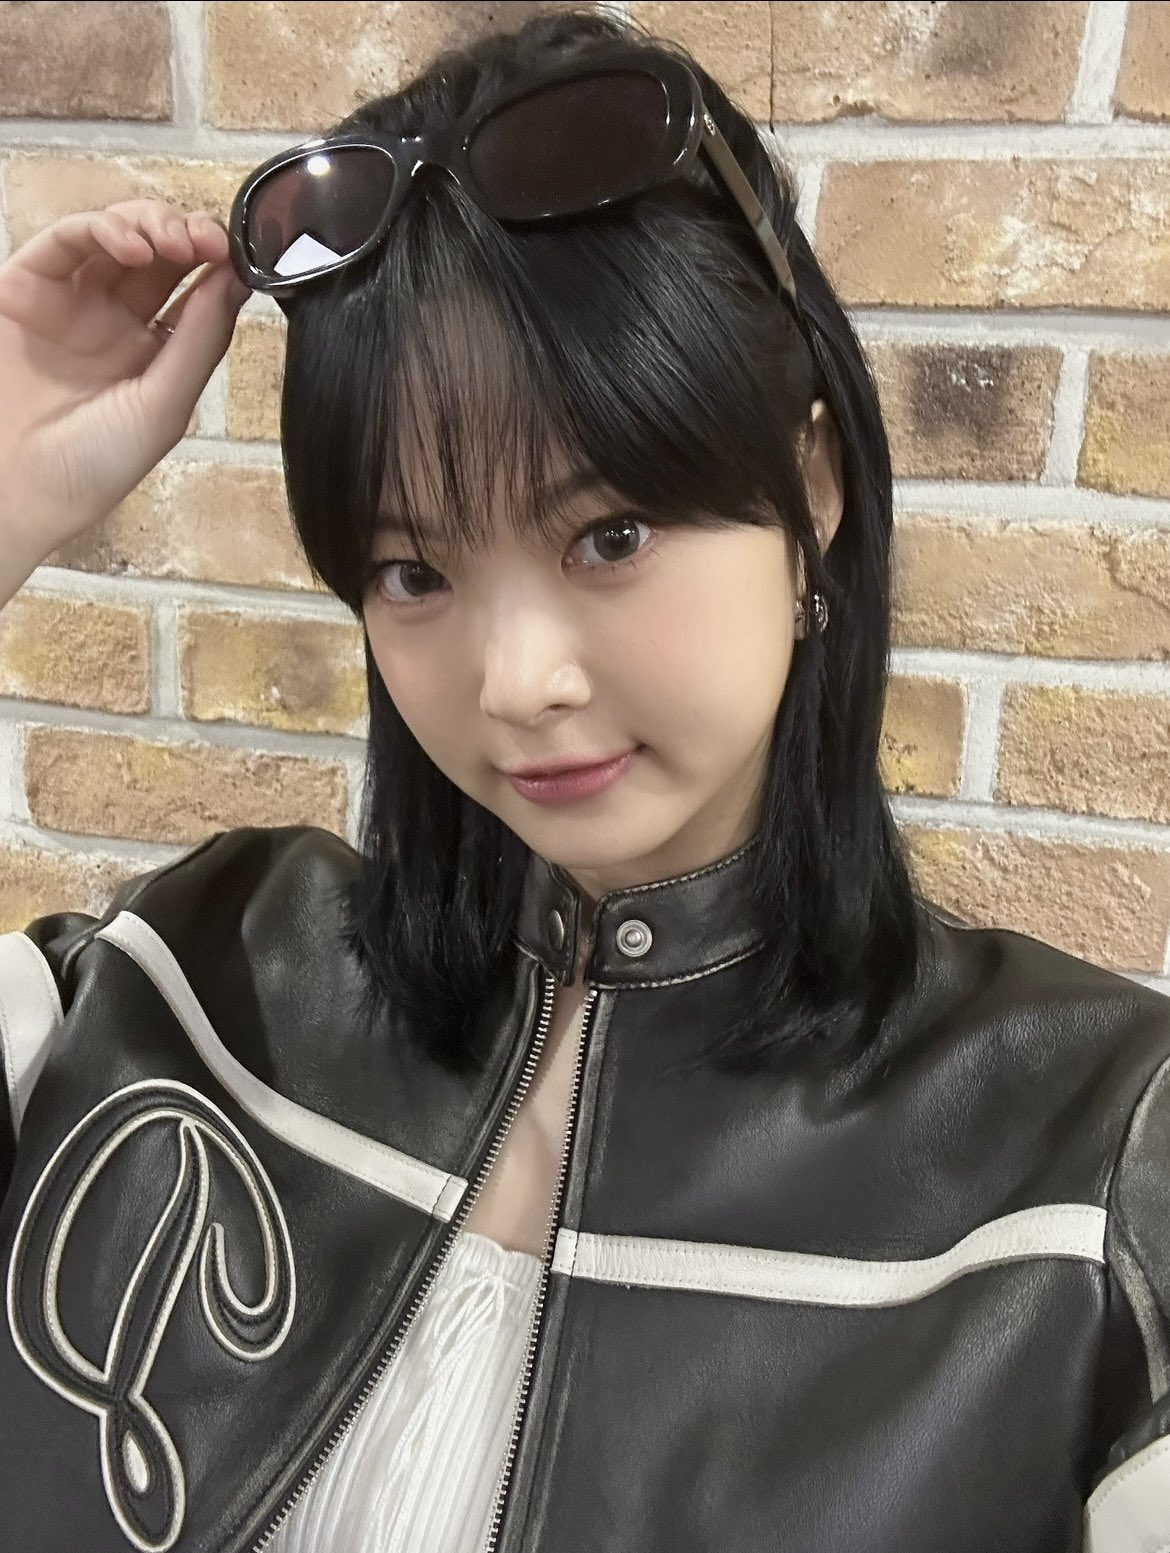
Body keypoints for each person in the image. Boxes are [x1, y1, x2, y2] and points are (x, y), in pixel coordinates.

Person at [0, 8, 1167, 1552]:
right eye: (413, 571)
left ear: (809, 492)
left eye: (607, 536)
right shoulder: (180, 983)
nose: (513, 682)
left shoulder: (1088, 1166)